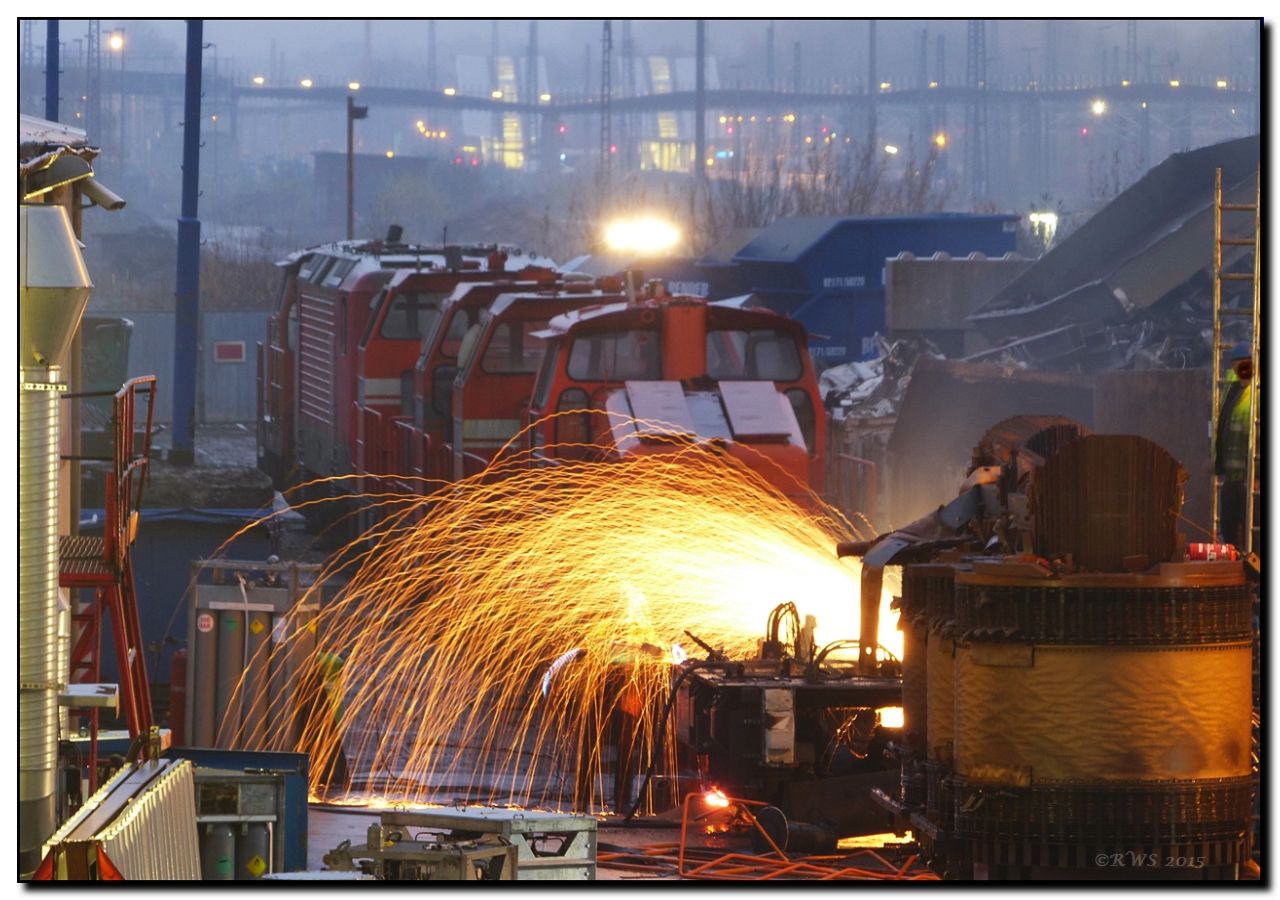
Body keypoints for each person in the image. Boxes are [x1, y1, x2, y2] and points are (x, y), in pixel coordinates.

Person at [1215, 341, 1254, 548]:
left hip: (1252, 476)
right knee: (1230, 524)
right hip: (1232, 475)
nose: (1242, 369)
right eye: (1238, 365)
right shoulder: (1233, 391)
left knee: (1251, 525)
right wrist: (1216, 463)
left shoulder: (1256, 393)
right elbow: (1224, 429)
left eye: (1246, 364)